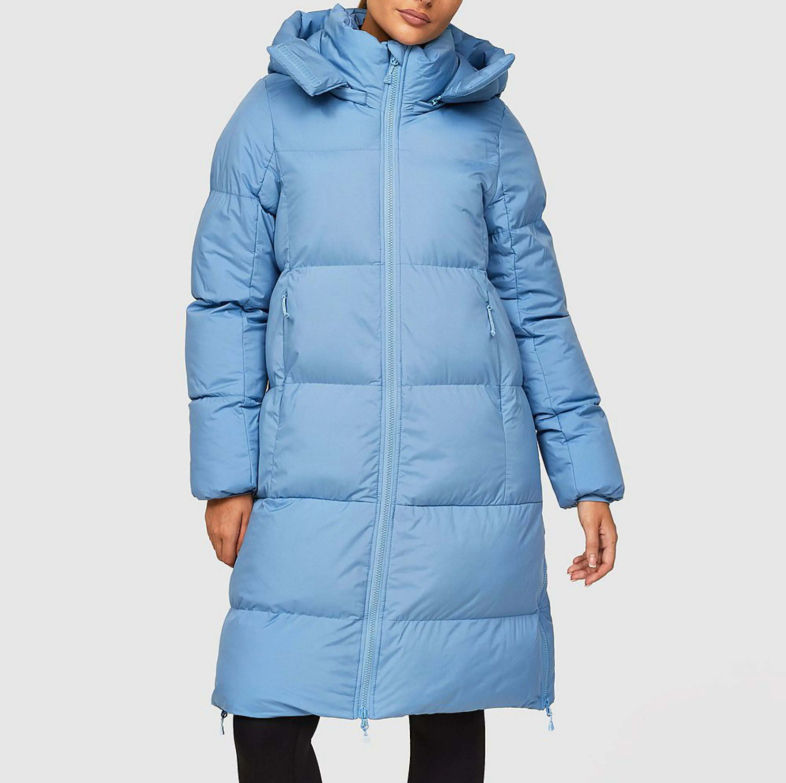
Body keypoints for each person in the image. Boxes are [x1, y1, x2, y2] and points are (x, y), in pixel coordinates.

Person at [185, 2, 624, 780]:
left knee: (448, 704)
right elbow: (228, 305)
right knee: (266, 713)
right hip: (306, 472)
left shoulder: (491, 132)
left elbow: (537, 310)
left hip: (464, 479)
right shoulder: (271, 116)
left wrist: (585, 476)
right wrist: (226, 477)